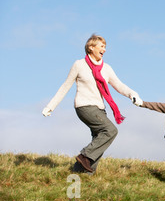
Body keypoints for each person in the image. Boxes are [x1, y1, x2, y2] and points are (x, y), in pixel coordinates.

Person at [42, 34, 142, 174]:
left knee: (98, 139)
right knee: (110, 131)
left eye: (105, 47)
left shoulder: (106, 68)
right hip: (84, 106)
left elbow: (119, 85)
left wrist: (133, 94)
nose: (105, 50)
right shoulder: (79, 65)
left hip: (100, 109)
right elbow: (65, 86)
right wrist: (50, 106)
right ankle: (84, 156)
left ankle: (82, 173)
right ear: (91, 47)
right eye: (101, 46)